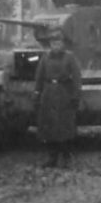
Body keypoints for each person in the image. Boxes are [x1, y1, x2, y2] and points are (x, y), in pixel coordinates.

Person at [34, 29, 82, 168]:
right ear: (50, 44)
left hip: (64, 94)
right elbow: (39, 76)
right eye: (53, 43)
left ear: (63, 44)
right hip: (48, 94)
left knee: (65, 127)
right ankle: (52, 157)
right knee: (49, 127)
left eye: (58, 43)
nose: (56, 46)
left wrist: (75, 95)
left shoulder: (70, 58)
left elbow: (77, 77)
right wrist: (37, 93)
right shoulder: (45, 58)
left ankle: (67, 157)